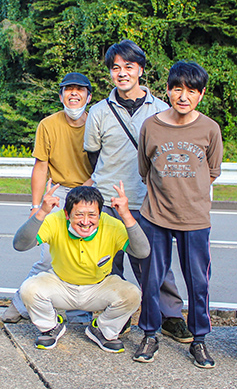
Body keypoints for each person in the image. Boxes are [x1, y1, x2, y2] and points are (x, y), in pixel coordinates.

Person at [83, 40, 190, 344]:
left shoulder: (160, 110)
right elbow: (92, 153)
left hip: (147, 202)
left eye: (129, 67)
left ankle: (170, 317)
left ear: (141, 69)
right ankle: (115, 316)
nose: (122, 73)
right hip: (106, 201)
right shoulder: (99, 112)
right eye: (115, 68)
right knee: (108, 264)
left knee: (155, 264)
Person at [134, 61, 223, 366]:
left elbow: (211, 171)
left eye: (191, 90)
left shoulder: (210, 128)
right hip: (155, 215)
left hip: (196, 219)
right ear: (168, 90)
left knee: (198, 281)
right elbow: (145, 170)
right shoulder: (152, 125)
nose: (183, 96)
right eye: (177, 89)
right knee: (151, 279)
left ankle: (198, 340)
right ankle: (149, 335)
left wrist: (190, 193)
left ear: (201, 94)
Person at [3, 72, 94, 324]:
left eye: (80, 89)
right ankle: (21, 303)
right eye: (68, 89)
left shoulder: (97, 122)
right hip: (58, 192)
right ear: (61, 95)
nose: (74, 94)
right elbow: (41, 166)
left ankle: (79, 312)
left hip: (89, 192)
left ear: (88, 95)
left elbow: (105, 161)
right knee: (49, 256)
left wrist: (87, 191)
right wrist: (35, 206)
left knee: (83, 255)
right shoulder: (48, 124)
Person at [13, 185, 147, 354]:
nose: (85, 222)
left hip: (99, 286)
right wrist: (41, 212)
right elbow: (20, 245)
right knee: (29, 288)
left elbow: (142, 252)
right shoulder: (55, 221)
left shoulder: (112, 225)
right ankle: (50, 327)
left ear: (100, 215)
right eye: (79, 215)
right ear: (67, 215)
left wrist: (126, 215)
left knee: (132, 294)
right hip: (61, 285)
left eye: (92, 215)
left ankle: (103, 330)